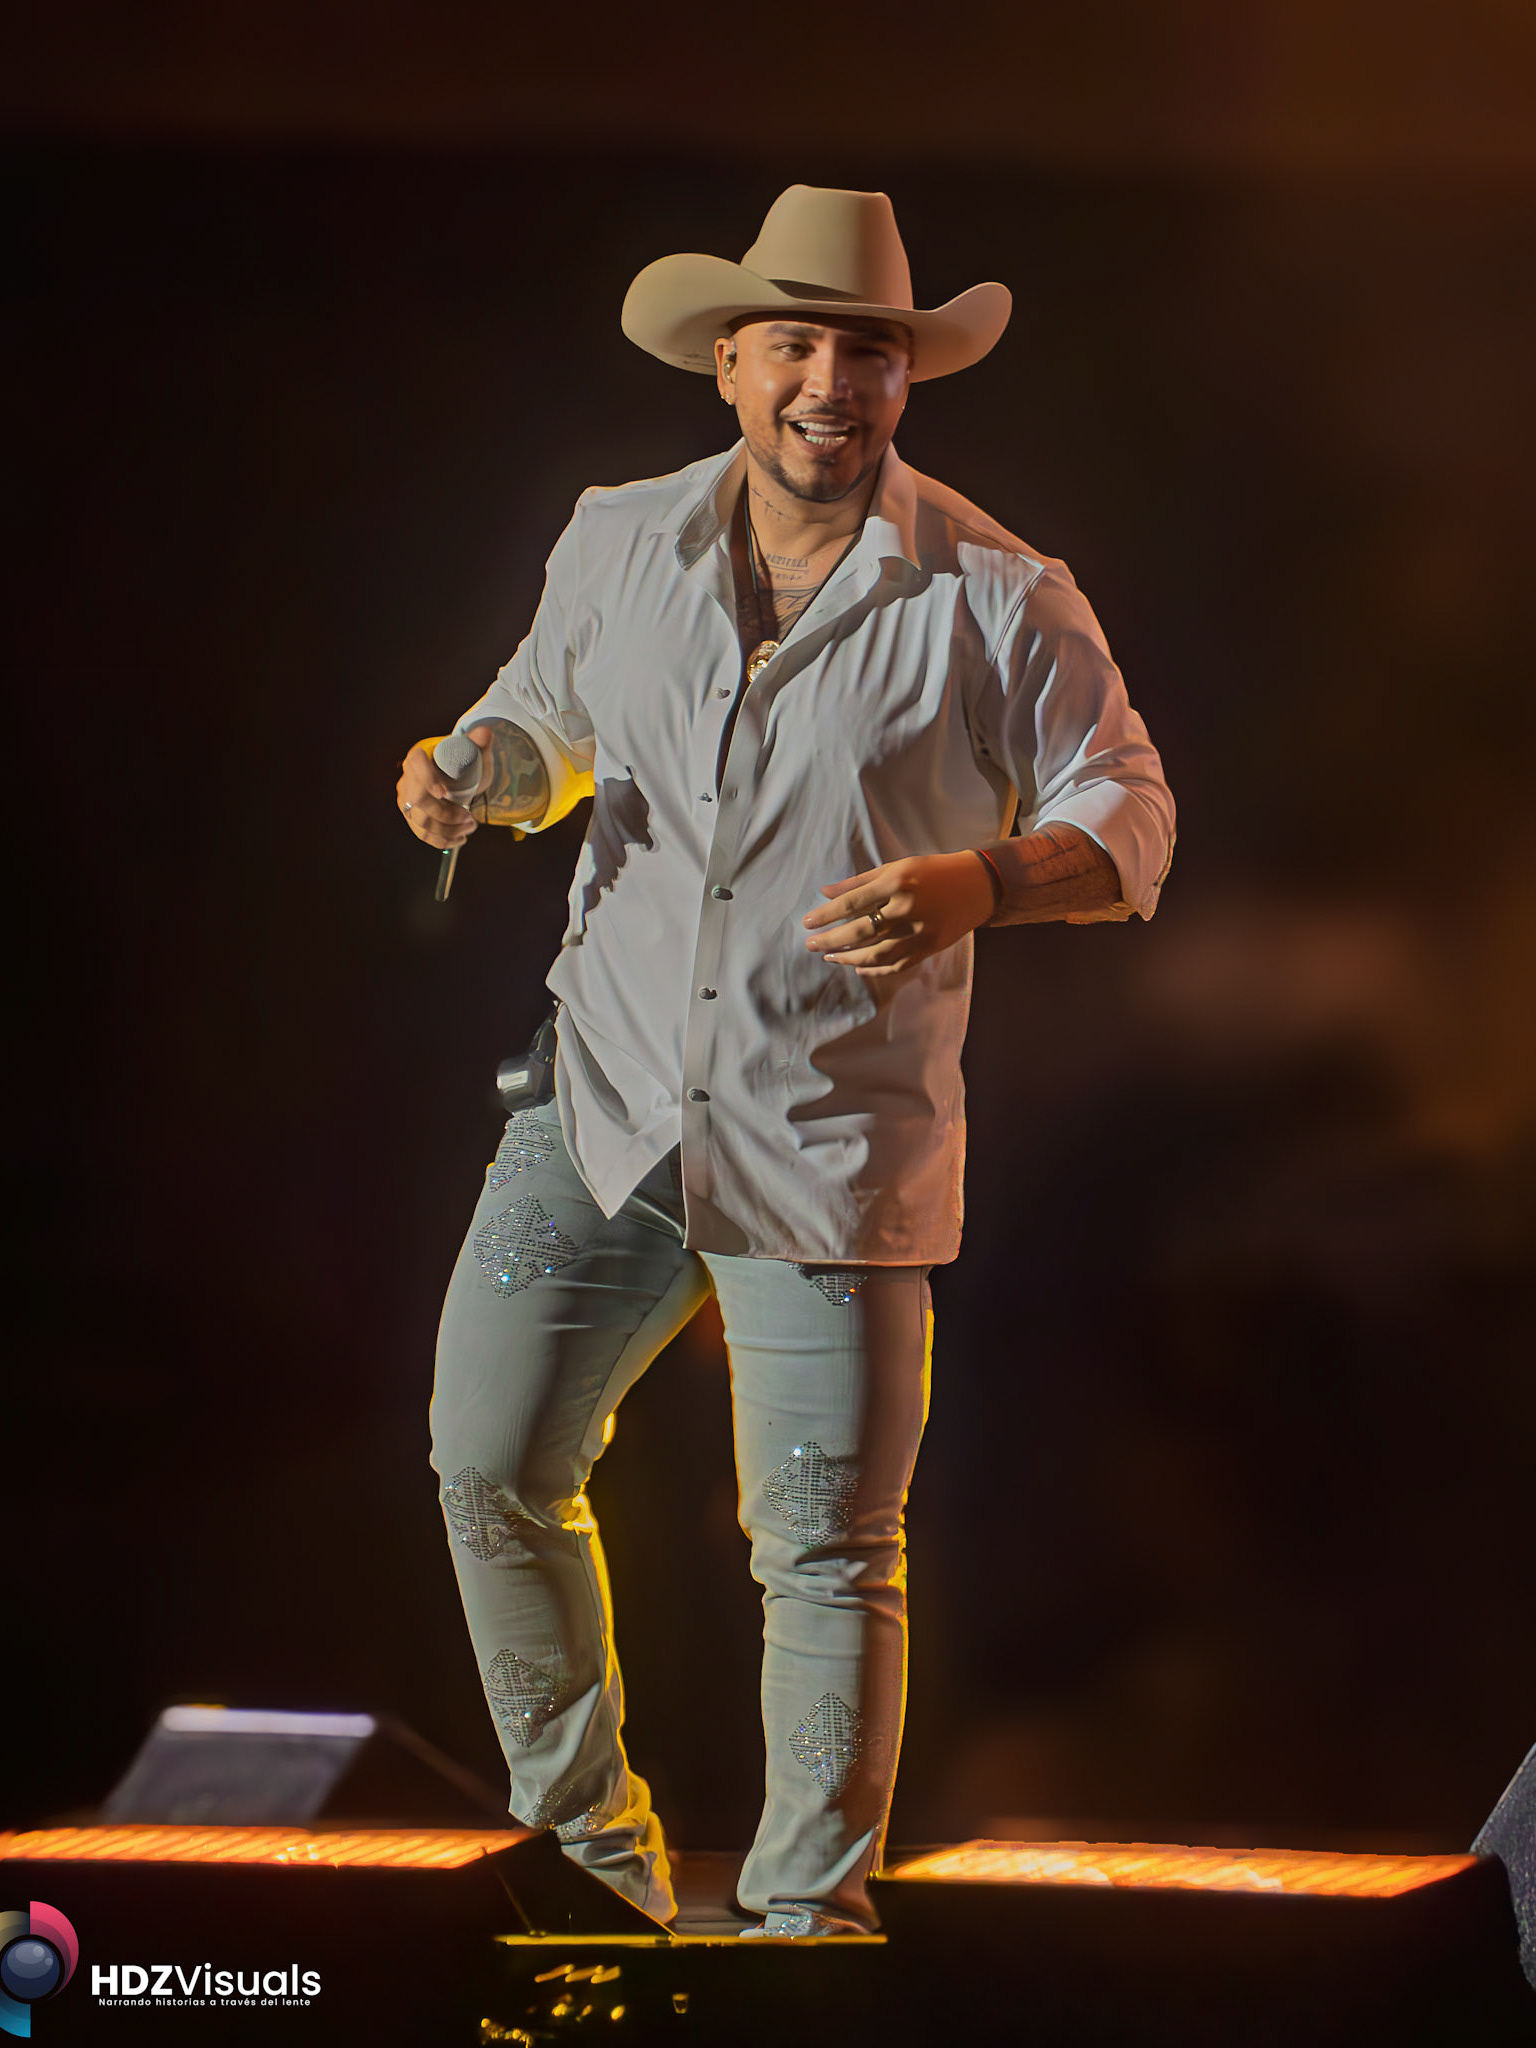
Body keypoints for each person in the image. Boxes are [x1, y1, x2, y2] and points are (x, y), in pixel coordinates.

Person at [395, 185, 1175, 1939]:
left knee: (821, 1547)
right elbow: (544, 717)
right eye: (800, 347)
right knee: (485, 1465)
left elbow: (1130, 817)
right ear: (729, 365)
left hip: (827, 1139)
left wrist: (983, 880)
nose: (834, 384)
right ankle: (584, 1863)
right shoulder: (617, 537)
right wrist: (477, 771)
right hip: (601, 1108)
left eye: (870, 354)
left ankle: (811, 1928)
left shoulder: (994, 590)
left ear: (907, 379)